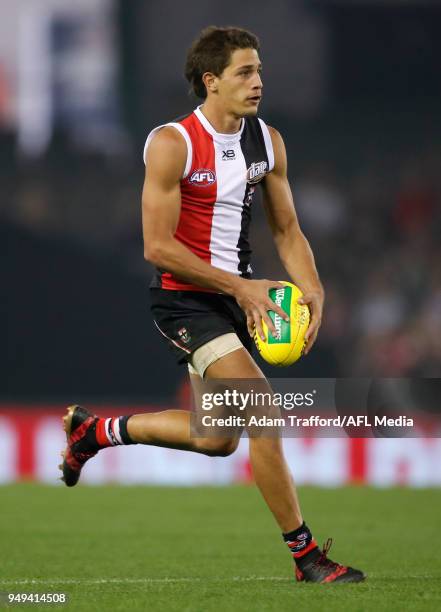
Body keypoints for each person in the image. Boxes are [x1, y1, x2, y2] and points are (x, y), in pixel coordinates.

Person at [60, 26, 365, 584]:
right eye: (245, 72)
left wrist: (314, 288)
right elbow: (158, 247)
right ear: (211, 81)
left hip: (234, 299)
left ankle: (95, 433)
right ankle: (307, 558)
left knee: (215, 439)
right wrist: (243, 288)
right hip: (185, 302)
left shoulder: (266, 142)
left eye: (260, 71)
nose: (258, 82)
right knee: (263, 413)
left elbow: (288, 228)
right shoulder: (173, 142)